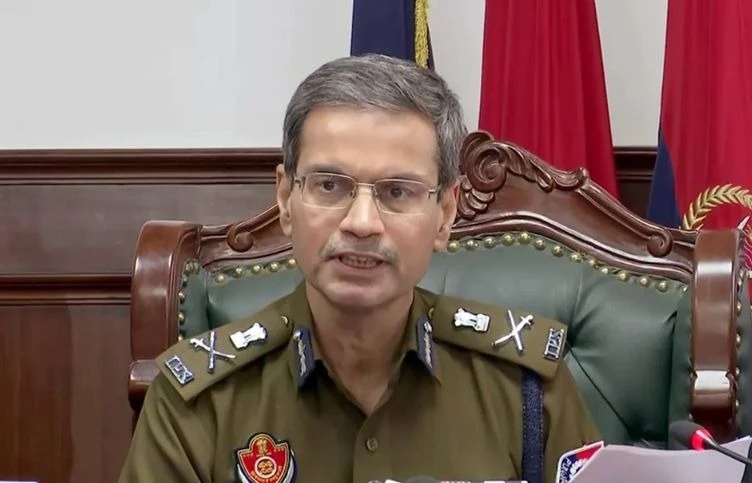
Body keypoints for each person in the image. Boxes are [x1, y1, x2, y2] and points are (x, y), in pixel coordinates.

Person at [119, 54, 601, 483]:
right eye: (330, 186)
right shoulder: (198, 401)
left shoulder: (527, 389)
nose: (362, 223)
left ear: (445, 213)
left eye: (398, 192)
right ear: (286, 200)